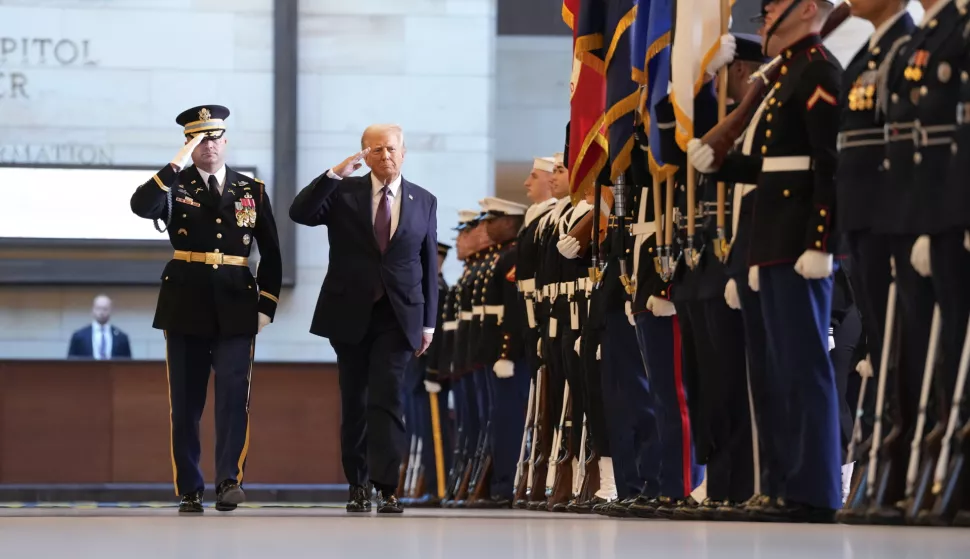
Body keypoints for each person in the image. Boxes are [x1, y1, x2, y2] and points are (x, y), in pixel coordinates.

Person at [689, 0, 845, 522]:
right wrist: (722, 164)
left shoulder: (819, 69)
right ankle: (779, 485)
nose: (764, 18)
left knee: (803, 370)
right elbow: (770, 169)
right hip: (770, 242)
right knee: (774, 373)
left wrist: (820, 243)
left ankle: (816, 490)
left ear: (805, 11)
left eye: (773, 7)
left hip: (799, 244)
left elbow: (829, 166)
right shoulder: (783, 77)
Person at [130, 104, 282, 514]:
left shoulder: (252, 190)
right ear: (189, 145)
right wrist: (173, 165)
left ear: (226, 141)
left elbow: (271, 253)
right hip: (186, 303)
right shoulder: (174, 186)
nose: (208, 146)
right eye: (198, 139)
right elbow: (140, 206)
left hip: (236, 306)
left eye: (214, 137)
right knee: (186, 402)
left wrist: (265, 305)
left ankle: (229, 480)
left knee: (235, 397)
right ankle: (190, 486)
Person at [289, 124, 438, 514]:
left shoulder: (423, 200)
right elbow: (299, 212)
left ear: (403, 153)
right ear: (363, 156)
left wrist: (429, 323)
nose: (384, 156)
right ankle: (357, 483)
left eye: (390, 149)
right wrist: (334, 174)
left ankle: (386, 486)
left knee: (387, 397)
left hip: (398, 314)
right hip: (350, 311)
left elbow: (427, 264)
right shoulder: (343, 193)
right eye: (374, 150)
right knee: (354, 399)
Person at [832, 0, 915, 523]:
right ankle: (881, 472)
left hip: (895, 225)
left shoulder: (906, 47)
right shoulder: (869, 50)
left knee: (903, 356)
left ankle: (904, 476)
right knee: (880, 359)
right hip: (862, 229)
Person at [67, 294, 132, 359]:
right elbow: (70, 363)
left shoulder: (121, 338)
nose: (101, 312)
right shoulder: (79, 336)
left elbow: (128, 364)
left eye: (105, 309)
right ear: (92, 310)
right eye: (98, 308)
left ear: (111, 311)